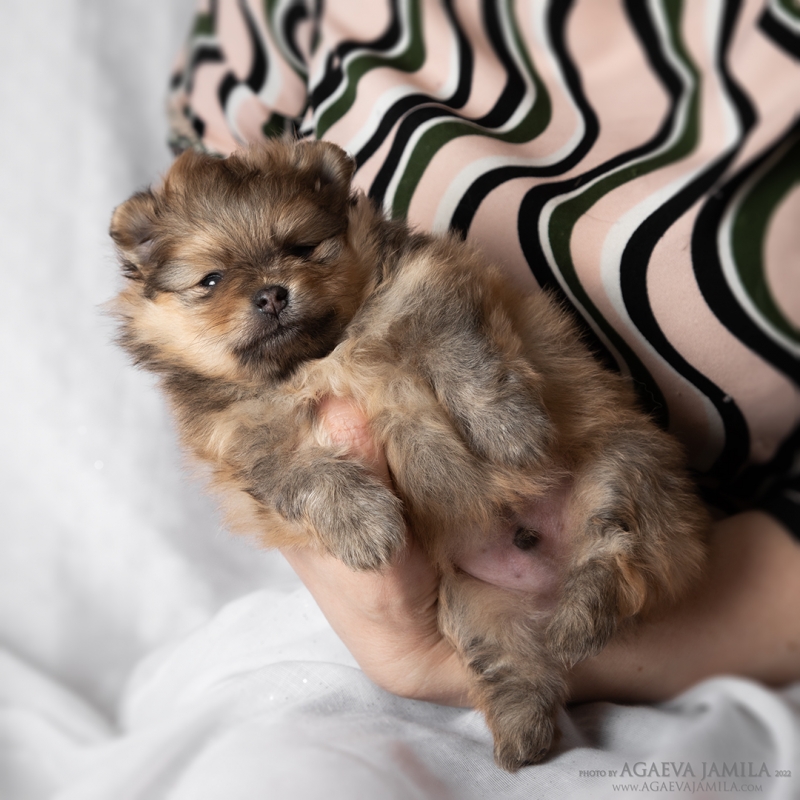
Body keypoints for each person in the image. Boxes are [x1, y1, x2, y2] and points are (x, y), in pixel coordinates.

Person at [167, 0, 800, 707]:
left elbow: (441, 295)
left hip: (701, 601)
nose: (267, 290)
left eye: (301, 248)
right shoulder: (280, 22)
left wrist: (449, 663)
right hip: (429, 604)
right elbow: (194, 225)